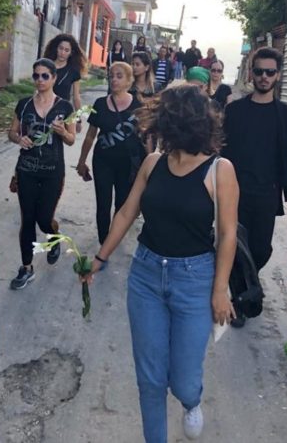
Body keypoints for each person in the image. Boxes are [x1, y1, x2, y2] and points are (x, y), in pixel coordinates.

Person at [83, 84, 239, 443]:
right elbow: (125, 212)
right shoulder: (153, 163)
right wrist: (99, 258)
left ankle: (191, 401)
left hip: (195, 278)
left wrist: (220, 290)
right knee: (150, 379)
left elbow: (228, 234)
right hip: (146, 275)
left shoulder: (220, 170)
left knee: (184, 381)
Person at [222, 47, 287, 328]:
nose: (264, 77)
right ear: (251, 73)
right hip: (234, 191)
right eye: (259, 71)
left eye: (270, 72)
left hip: (266, 192)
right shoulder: (235, 111)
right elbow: (222, 152)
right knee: (234, 247)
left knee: (261, 249)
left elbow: (285, 156)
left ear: (277, 75)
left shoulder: (285, 115)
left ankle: (248, 283)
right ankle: (241, 301)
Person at [8, 58, 75, 290]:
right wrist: (19, 138)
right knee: (27, 219)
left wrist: (63, 132)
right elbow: (12, 132)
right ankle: (27, 267)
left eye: (45, 76)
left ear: (54, 78)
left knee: (43, 219)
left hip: (52, 172)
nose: (39, 80)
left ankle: (54, 237)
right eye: (36, 76)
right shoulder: (24, 104)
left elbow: (71, 140)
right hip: (26, 169)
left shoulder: (65, 107)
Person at [77, 62, 144, 244]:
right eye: (111, 76)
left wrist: (147, 166)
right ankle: (103, 241)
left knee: (122, 204)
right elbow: (91, 136)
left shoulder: (138, 105)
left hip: (127, 165)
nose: (114, 79)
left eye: (119, 76)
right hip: (103, 162)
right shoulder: (100, 103)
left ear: (129, 81)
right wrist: (81, 161)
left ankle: (113, 238)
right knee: (103, 204)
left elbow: (146, 137)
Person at [43, 33, 87, 133]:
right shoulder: (46, 66)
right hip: (44, 109)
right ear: (56, 48)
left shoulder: (74, 71)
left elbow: (76, 97)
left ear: (71, 53)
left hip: (61, 112)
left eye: (66, 50)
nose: (62, 52)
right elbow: (37, 89)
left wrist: (78, 119)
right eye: (61, 48)